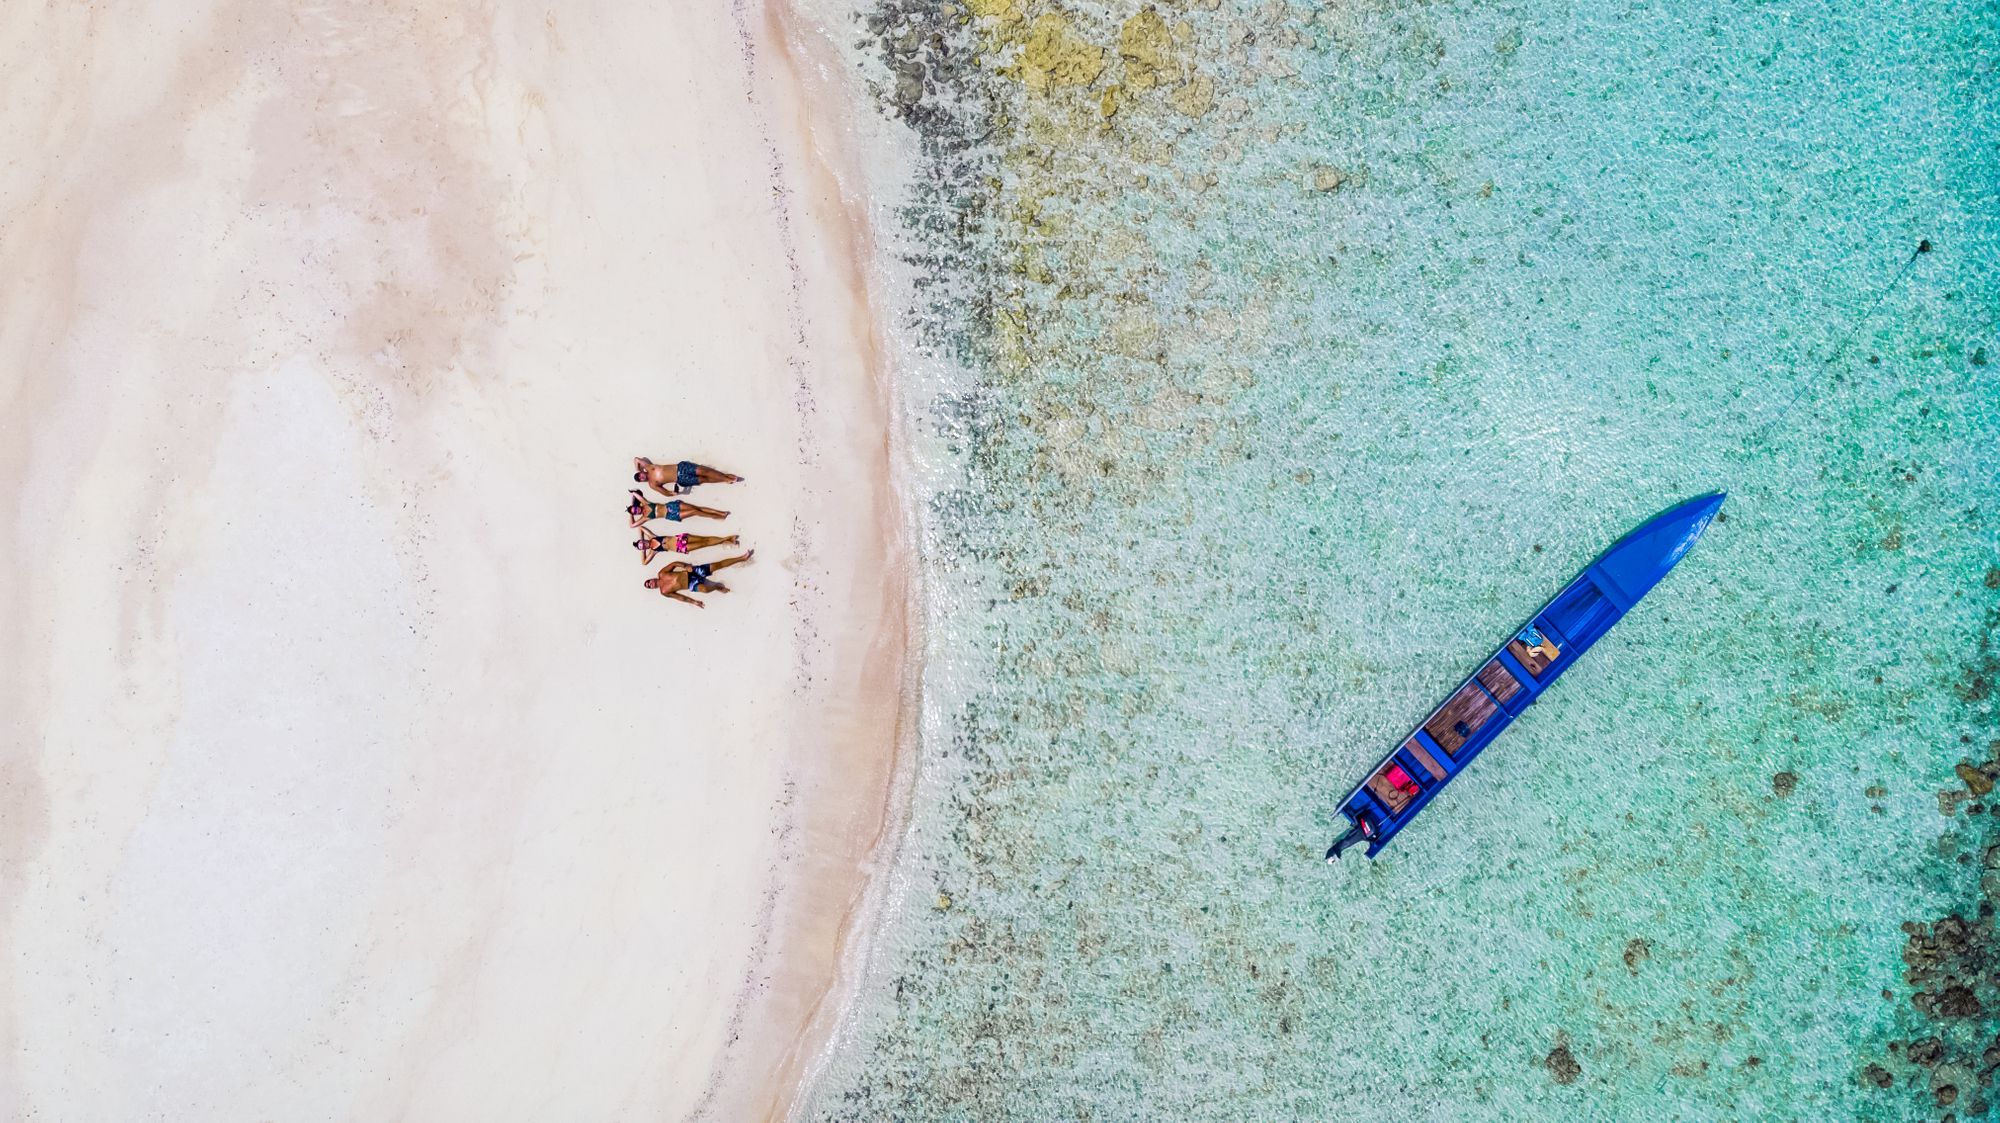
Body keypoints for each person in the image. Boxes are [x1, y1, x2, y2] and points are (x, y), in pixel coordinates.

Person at [645, 551, 755, 608]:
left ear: (651, 579)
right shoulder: (664, 591)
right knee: (705, 590)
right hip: (691, 584)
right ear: (652, 588)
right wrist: (694, 602)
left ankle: (742, 558)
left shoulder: (662, 573)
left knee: (717, 565)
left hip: (691, 572)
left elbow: (673, 564)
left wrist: (685, 566)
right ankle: (716, 587)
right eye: (649, 586)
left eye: (648, 582)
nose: (651, 583)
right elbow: (680, 597)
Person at [635, 457, 743, 497]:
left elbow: (636, 459)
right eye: (640, 479)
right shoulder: (652, 484)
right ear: (641, 481)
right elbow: (664, 492)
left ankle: (726, 478)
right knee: (703, 479)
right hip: (680, 479)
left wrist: (637, 469)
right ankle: (724, 479)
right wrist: (673, 493)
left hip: (680, 468)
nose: (641, 477)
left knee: (703, 470)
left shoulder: (648, 467)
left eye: (639, 475)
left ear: (641, 472)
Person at [633, 528, 739, 564]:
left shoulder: (652, 536)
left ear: (643, 540)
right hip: (679, 548)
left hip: (679, 538)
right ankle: (728, 538)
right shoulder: (653, 551)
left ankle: (728, 539)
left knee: (704, 539)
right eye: (643, 546)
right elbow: (644, 562)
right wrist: (642, 550)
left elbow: (640, 528)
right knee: (704, 544)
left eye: (642, 543)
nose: (644, 545)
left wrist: (640, 541)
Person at [628, 490, 727, 527]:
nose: (637, 510)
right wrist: (630, 514)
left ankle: (720, 513)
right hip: (671, 515)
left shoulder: (645, 503)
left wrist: (632, 502)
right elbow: (632, 525)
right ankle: (714, 516)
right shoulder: (645, 517)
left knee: (697, 508)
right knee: (694, 511)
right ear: (636, 514)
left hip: (671, 506)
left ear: (637, 506)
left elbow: (634, 494)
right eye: (635, 512)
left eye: (635, 509)